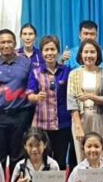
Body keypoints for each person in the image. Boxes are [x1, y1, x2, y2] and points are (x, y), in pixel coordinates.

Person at [0, 29, 35, 174]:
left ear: (15, 43)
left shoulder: (27, 64)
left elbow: (32, 87)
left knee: (18, 157)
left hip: (21, 115)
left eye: (9, 42)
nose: (6, 45)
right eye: (3, 42)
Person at [27, 35, 72, 169]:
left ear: (58, 51)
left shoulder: (66, 71)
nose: (50, 53)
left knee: (60, 160)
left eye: (52, 49)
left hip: (62, 123)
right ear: (41, 52)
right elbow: (29, 94)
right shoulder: (36, 72)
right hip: (42, 124)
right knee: (43, 160)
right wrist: (35, 97)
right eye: (46, 50)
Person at [67, 39, 103, 164]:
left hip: (100, 118)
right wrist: (78, 126)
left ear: (98, 54)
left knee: (101, 156)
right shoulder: (73, 74)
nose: (89, 55)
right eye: (86, 52)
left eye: (92, 52)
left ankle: (100, 177)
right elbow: (71, 101)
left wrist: (90, 96)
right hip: (80, 118)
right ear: (81, 54)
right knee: (82, 157)